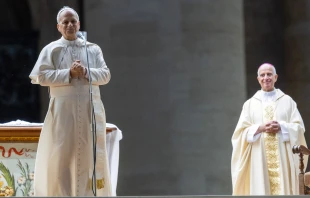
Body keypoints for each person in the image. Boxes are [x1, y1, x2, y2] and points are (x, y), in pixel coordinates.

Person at [29, 6, 112, 196]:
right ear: (59, 27)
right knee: (62, 154)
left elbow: (106, 75)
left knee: (89, 153)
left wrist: (85, 72)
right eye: (65, 22)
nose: (69, 25)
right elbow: (40, 77)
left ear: (79, 24)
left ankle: (87, 194)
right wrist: (69, 73)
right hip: (64, 109)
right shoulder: (52, 49)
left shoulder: (93, 49)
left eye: (73, 21)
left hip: (89, 107)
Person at [231, 63, 308, 195]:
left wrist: (282, 127)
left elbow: (299, 128)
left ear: (275, 77)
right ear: (258, 79)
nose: (266, 77)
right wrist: (259, 128)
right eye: (262, 75)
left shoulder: (287, 101)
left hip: (282, 158)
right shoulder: (249, 104)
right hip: (259, 159)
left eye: (269, 74)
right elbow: (240, 133)